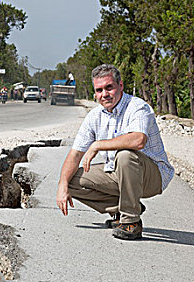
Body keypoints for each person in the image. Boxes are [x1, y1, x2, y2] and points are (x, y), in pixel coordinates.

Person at [56, 64, 174, 240]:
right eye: (99, 90)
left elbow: (138, 140)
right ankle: (124, 206)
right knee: (70, 181)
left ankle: (131, 222)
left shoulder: (137, 107)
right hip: (117, 172)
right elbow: (75, 154)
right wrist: (61, 186)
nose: (104, 94)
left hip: (151, 175)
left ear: (120, 86)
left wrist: (97, 145)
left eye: (109, 87)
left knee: (125, 155)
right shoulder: (95, 116)